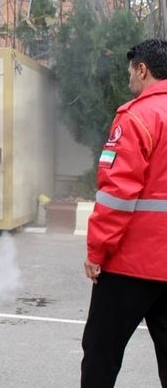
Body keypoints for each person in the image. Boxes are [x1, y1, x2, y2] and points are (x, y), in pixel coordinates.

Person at [82, 39, 167, 387]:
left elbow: (117, 195)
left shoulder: (136, 117)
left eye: (131, 71)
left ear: (142, 69)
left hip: (129, 267)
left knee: (101, 355)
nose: (129, 78)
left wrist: (96, 251)